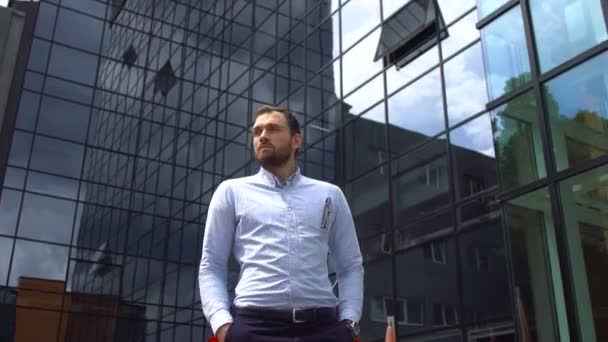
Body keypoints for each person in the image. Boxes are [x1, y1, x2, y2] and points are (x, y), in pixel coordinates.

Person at [199, 105, 364, 342]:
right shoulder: (231, 192)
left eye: (272, 129)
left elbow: (350, 265)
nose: (262, 136)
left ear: (296, 141)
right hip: (254, 329)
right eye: (257, 132)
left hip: (323, 329)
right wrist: (222, 325)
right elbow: (211, 264)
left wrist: (349, 322)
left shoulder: (330, 195)